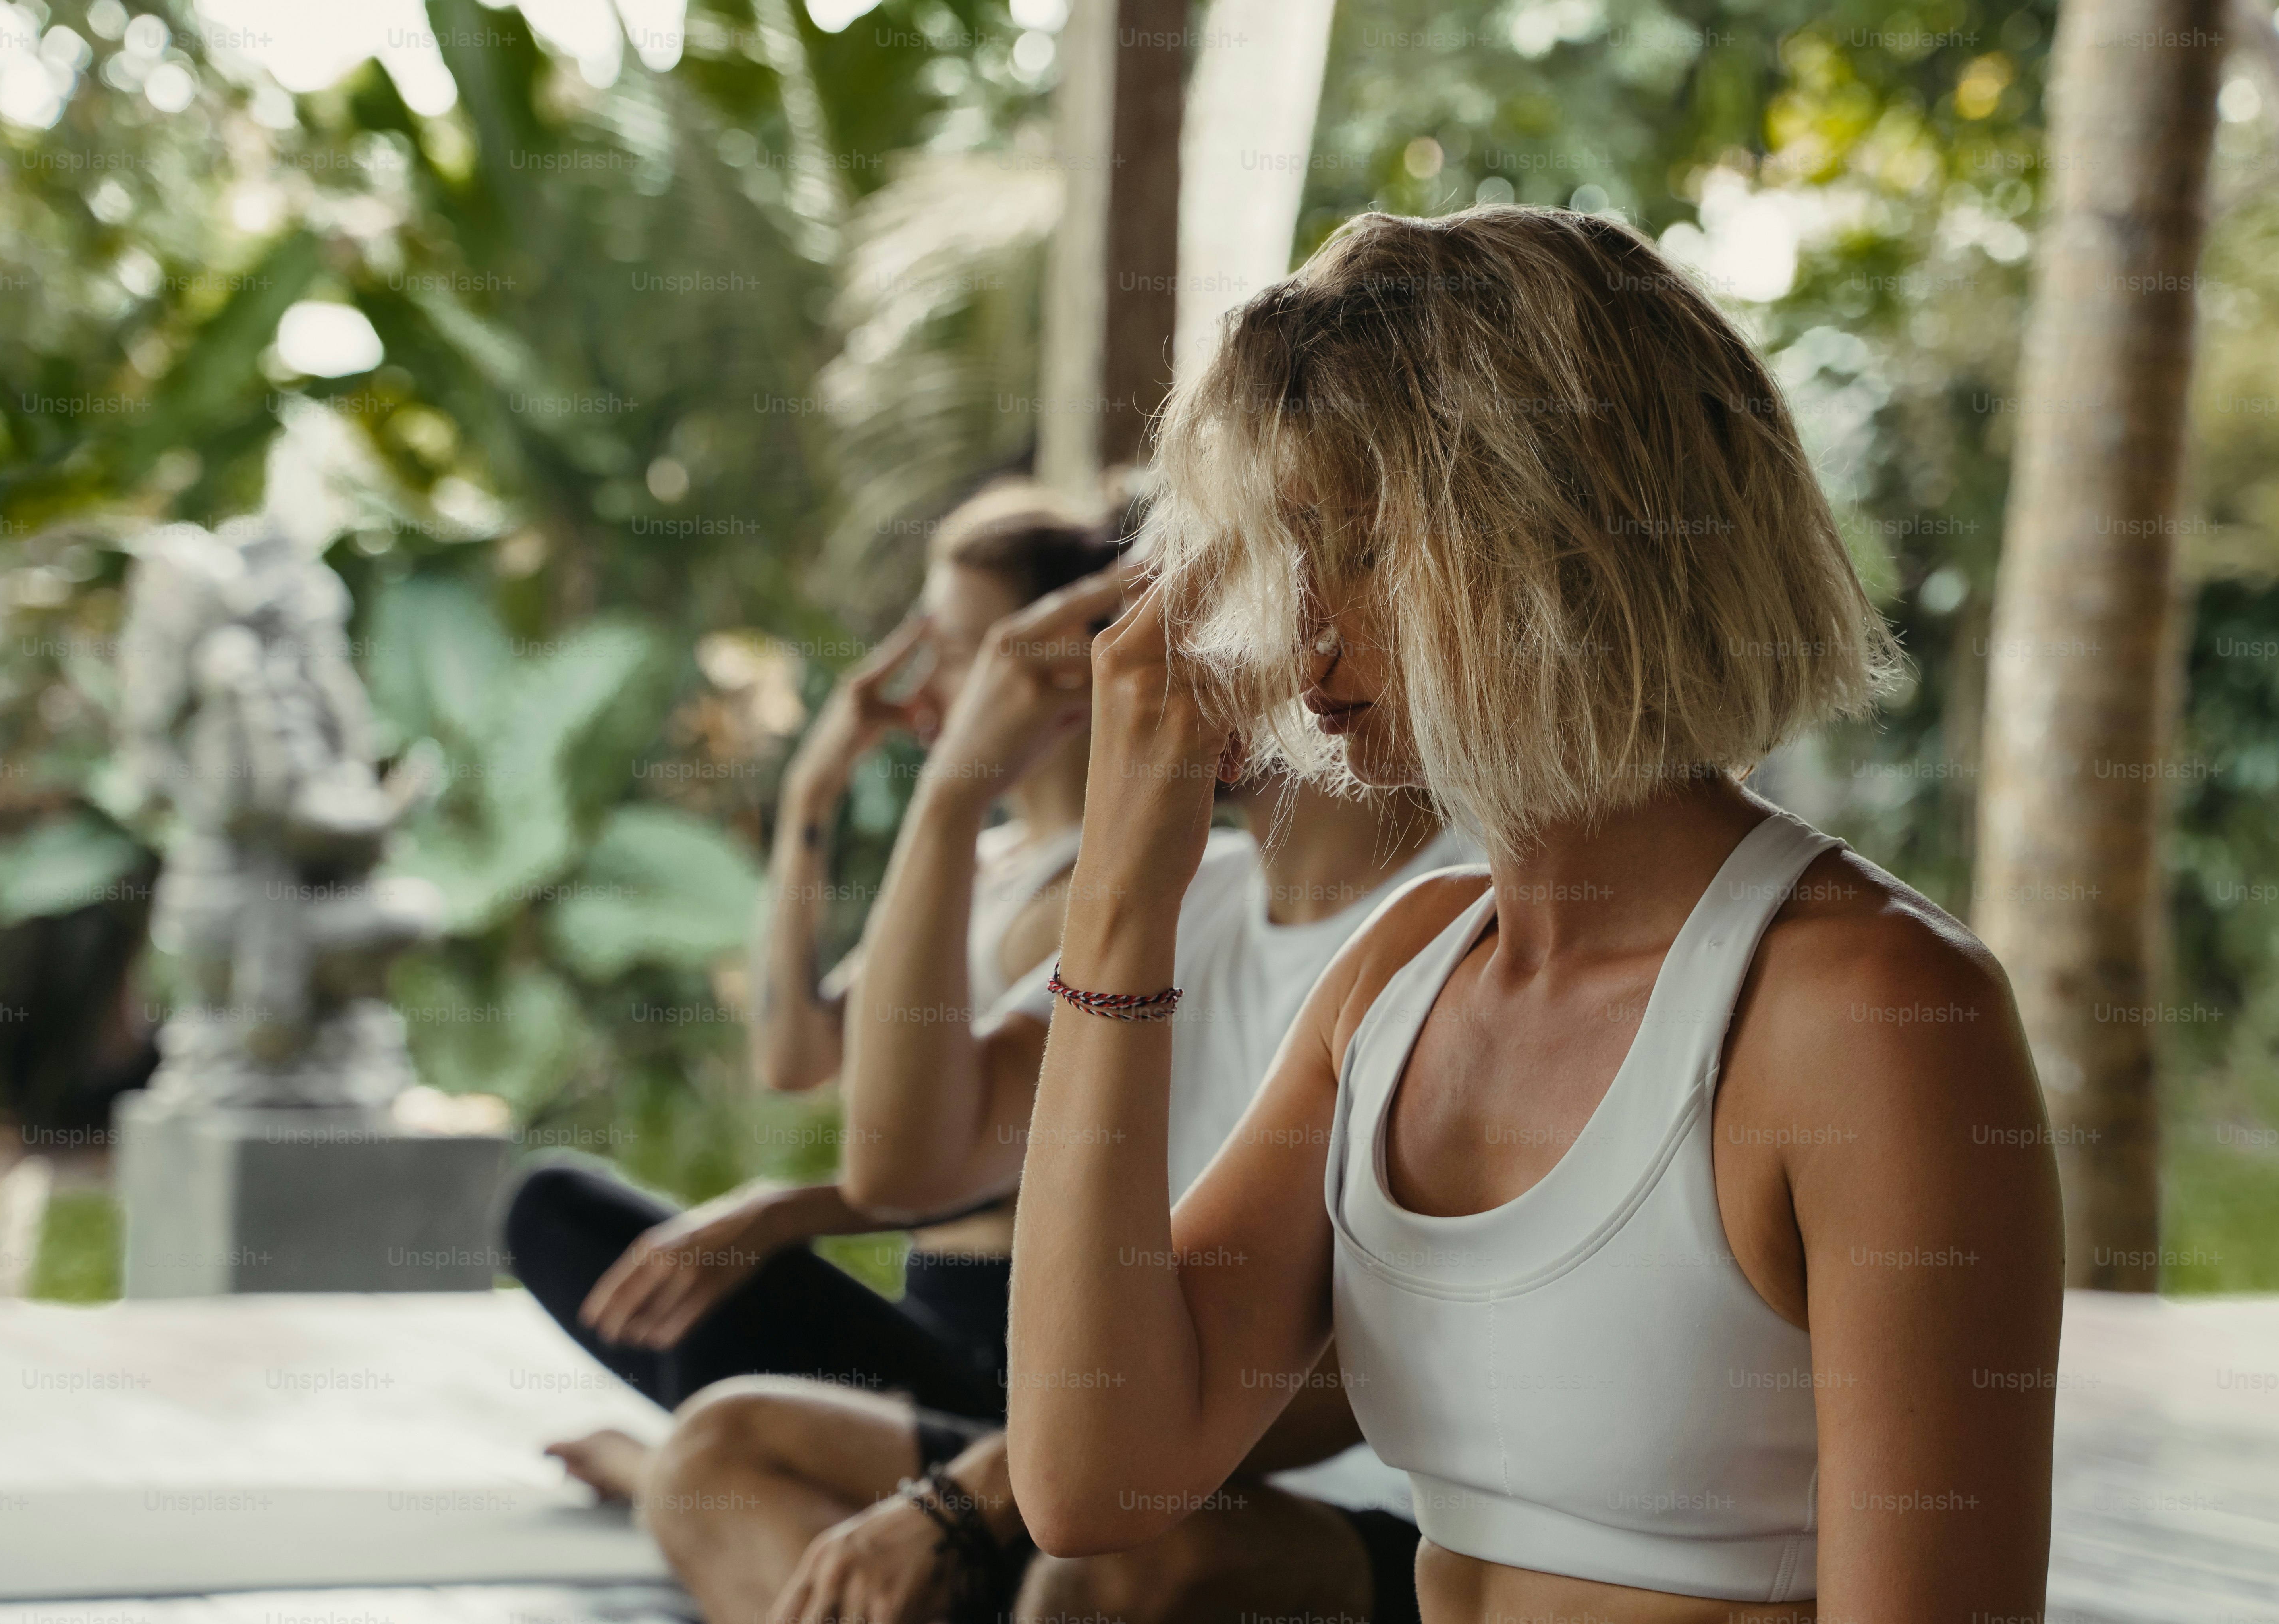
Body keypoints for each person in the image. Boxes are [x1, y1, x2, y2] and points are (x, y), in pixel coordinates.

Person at [1006, 206, 2064, 1623]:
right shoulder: (1399, 975)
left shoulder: (1867, 1016)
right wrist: (1119, 903)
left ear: (1571, 536)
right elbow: (1090, 1479)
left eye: (1367, 550)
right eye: (1286, 545)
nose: (1300, 624)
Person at [605, 566, 1477, 1624]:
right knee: (710, 1456)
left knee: (1113, 1562)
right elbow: (900, 1162)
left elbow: (1353, 1373)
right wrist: (955, 789)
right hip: (1119, 1465)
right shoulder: (1194, 898)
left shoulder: (1462, 914)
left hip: (1360, 1519)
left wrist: (971, 1494)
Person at [499, 480, 1121, 1426]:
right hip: (921, 1315)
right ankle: (794, 1466)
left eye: (954, 654)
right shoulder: (982, 865)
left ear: (1061, 662)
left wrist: (774, 1212)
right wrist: (808, 798)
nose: (920, 689)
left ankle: (767, 1468)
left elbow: (999, 1155)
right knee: (558, 1212)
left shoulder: (1114, 887)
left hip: (1014, 1359)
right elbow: (795, 1055)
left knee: (701, 1263)